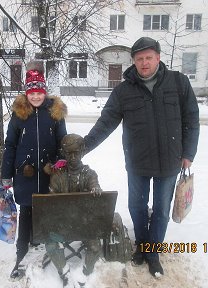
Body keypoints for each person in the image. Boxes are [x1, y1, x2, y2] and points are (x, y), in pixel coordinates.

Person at [82, 37, 200, 277]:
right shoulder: (123, 91)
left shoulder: (178, 83)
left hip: (169, 161)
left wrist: (188, 152)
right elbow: (106, 123)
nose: (144, 63)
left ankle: (152, 252)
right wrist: (82, 147)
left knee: (161, 210)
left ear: (158, 57)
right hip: (138, 162)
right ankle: (142, 245)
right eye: (139, 59)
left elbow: (191, 120)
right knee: (136, 206)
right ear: (134, 61)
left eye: (148, 57)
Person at [1, 60, 68, 279]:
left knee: (49, 214)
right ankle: (21, 255)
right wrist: (6, 174)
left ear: (45, 92)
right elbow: (10, 145)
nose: (36, 97)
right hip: (25, 175)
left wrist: (60, 161)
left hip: (49, 176)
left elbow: (63, 142)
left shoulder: (54, 113)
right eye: (32, 93)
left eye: (39, 92)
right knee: (27, 214)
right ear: (26, 93)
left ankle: (52, 253)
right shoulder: (19, 115)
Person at [45, 133, 102, 288]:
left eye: (76, 152)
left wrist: (96, 189)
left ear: (82, 151)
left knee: (96, 245)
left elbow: (94, 184)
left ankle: (85, 272)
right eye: (68, 153)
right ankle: (64, 273)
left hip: (84, 223)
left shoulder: (89, 174)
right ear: (63, 153)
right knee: (50, 244)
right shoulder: (57, 176)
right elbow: (51, 200)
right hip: (63, 224)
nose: (73, 157)